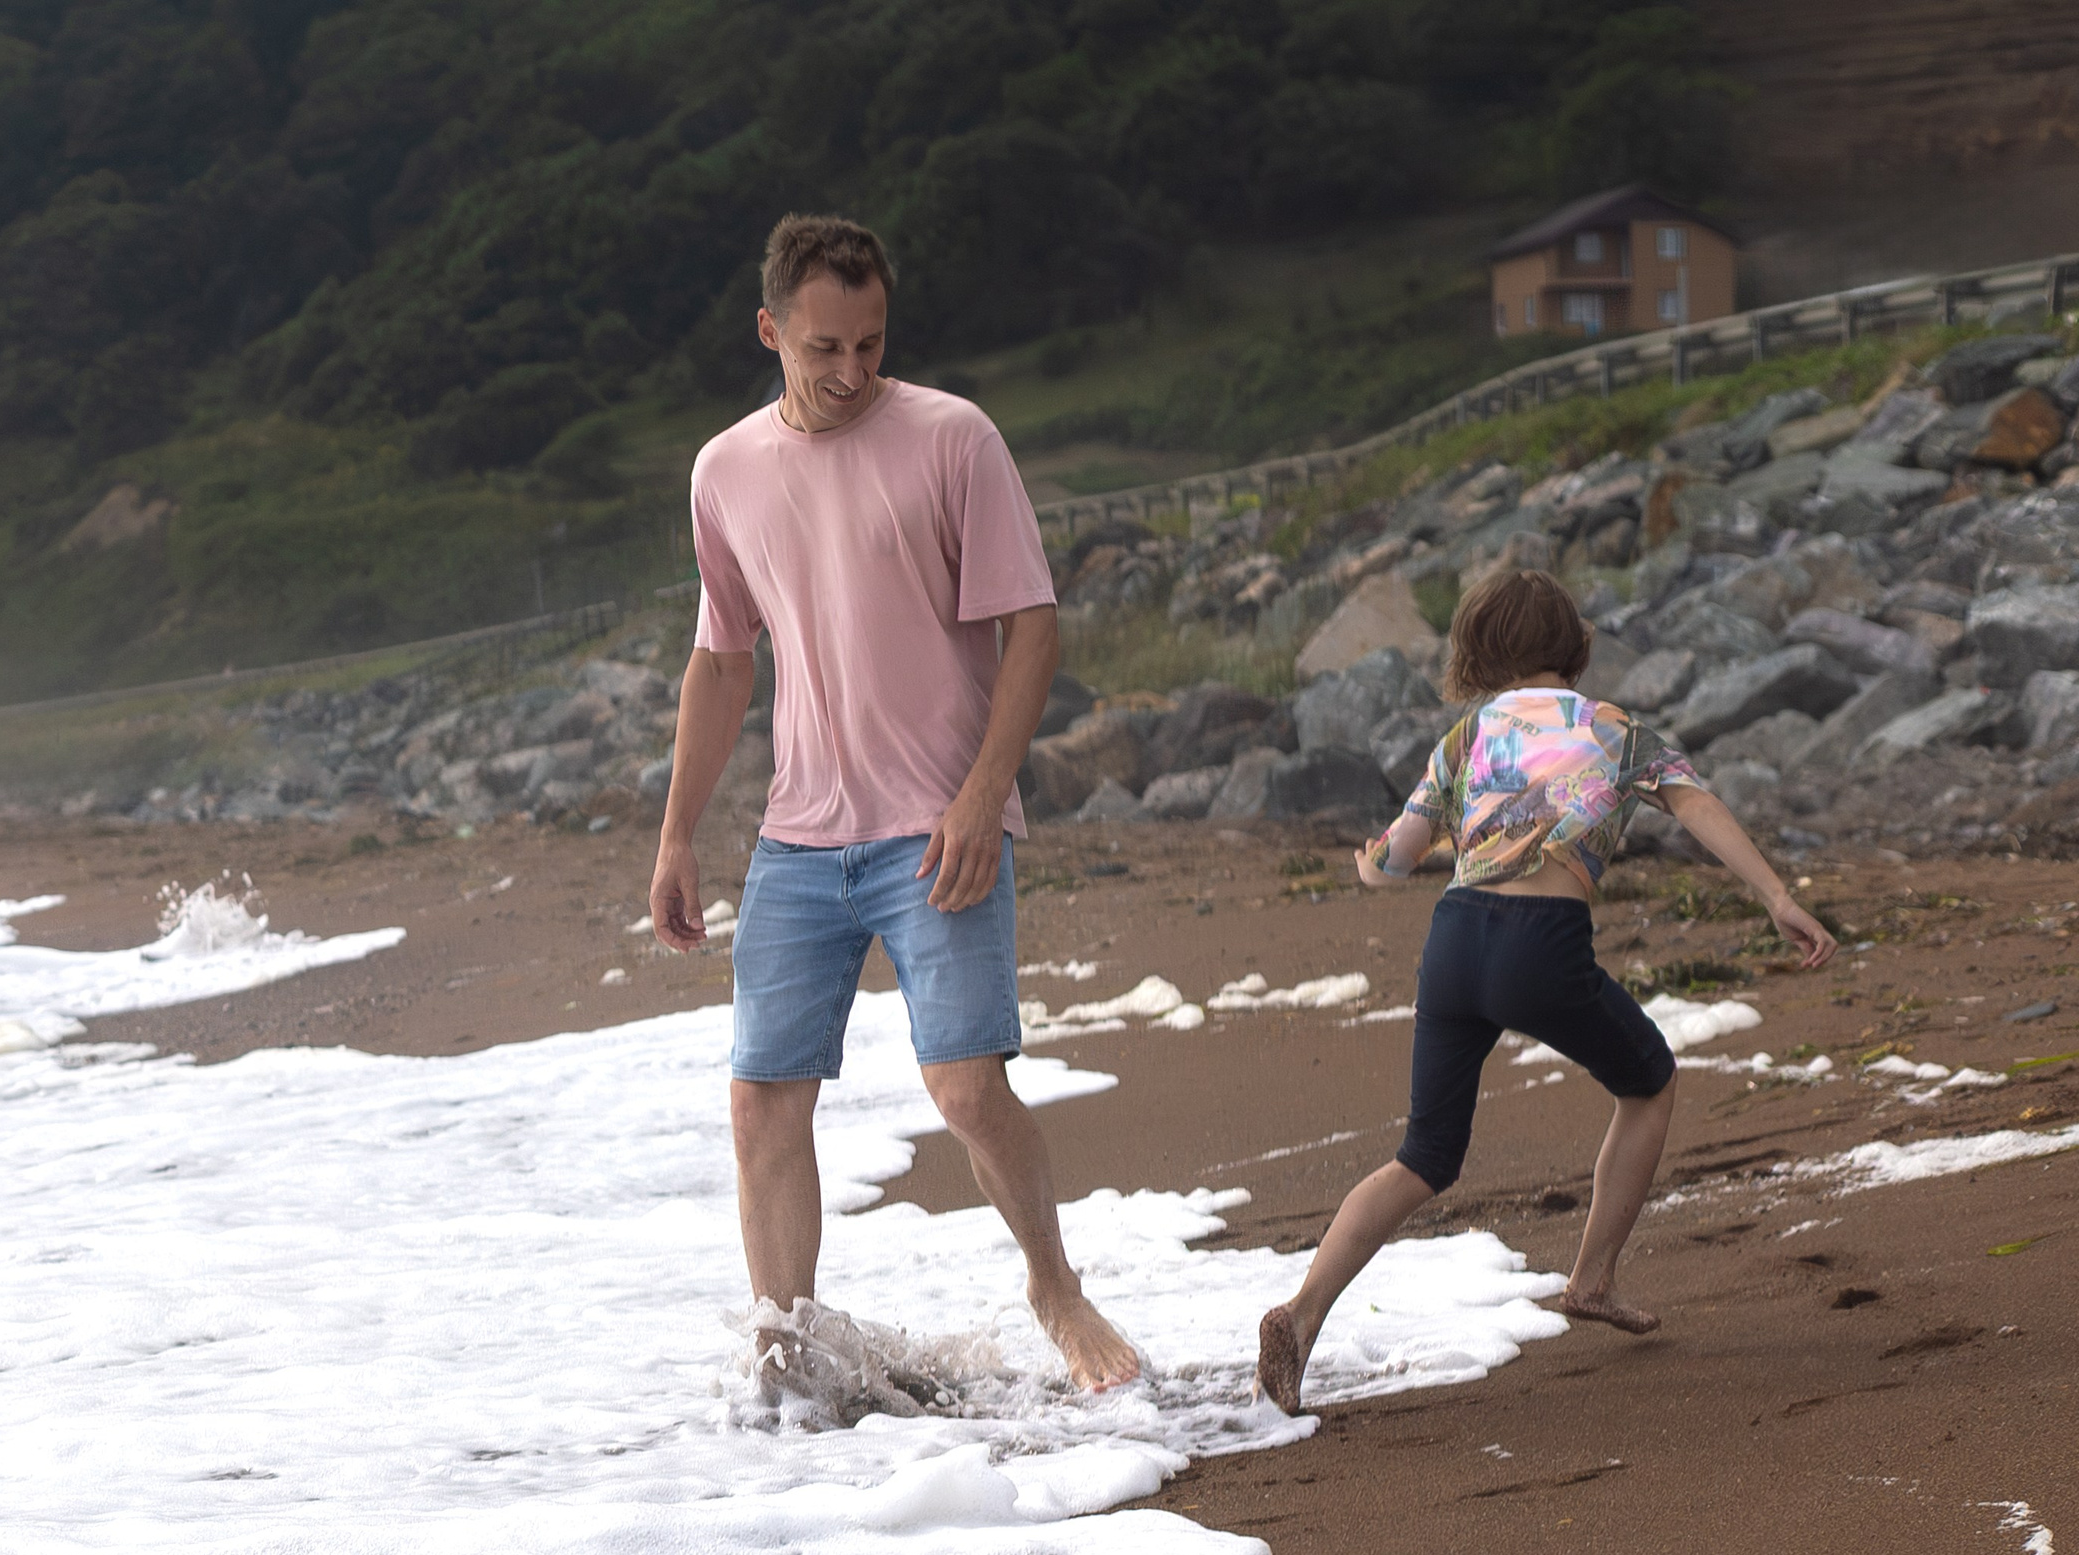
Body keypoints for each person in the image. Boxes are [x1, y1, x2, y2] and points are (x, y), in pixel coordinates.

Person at [647, 213, 1139, 1393]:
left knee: (965, 1087)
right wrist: (675, 835)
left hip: (938, 828)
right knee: (761, 1104)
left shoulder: (953, 438)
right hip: (798, 837)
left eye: (870, 342)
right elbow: (721, 659)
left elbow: (1032, 627)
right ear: (769, 331)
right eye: (824, 346)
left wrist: (983, 794)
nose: (852, 369)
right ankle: (783, 1358)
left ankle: (1055, 1289)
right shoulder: (724, 471)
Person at [1254, 567, 1836, 1414]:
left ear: (1480, 651)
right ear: (1574, 645)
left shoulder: (1467, 737)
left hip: (1454, 944)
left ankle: (1301, 1316)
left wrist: (1369, 862)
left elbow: (1396, 858)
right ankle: (1592, 1278)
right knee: (1649, 1081)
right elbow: (1697, 807)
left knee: (1423, 1156)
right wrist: (1778, 896)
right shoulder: (1612, 730)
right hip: (1540, 945)